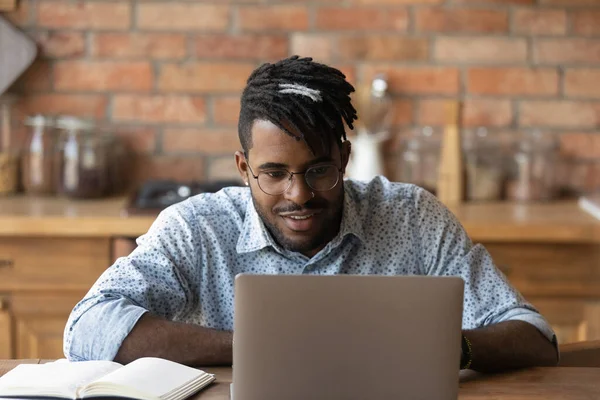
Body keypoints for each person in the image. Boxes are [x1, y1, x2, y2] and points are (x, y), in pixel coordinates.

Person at [64, 56, 558, 373]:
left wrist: (451, 348)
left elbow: (533, 336)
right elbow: (87, 328)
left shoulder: (413, 217)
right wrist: (267, 347)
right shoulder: (196, 228)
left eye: (318, 170)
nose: (298, 194)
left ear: (344, 158)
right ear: (243, 167)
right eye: (273, 173)